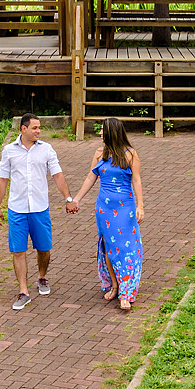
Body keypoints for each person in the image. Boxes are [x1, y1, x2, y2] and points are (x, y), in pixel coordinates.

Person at [0, 113, 80, 311]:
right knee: (18, 251)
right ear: (23, 129)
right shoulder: (9, 151)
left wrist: (68, 199)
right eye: (34, 128)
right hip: (17, 209)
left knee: (44, 249)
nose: (38, 131)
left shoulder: (47, 150)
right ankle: (23, 291)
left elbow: (57, 175)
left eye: (39, 128)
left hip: (40, 208)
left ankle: (42, 276)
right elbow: (2, 180)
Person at [70, 117, 145, 311]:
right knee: (108, 245)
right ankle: (114, 285)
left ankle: (127, 292)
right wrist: (76, 199)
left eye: (102, 130)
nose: (100, 133)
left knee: (125, 247)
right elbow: (90, 178)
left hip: (124, 209)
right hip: (103, 208)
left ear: (112, 132)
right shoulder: (99, 153)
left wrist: (140, 206)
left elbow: (136, 181)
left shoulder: (130, 154)